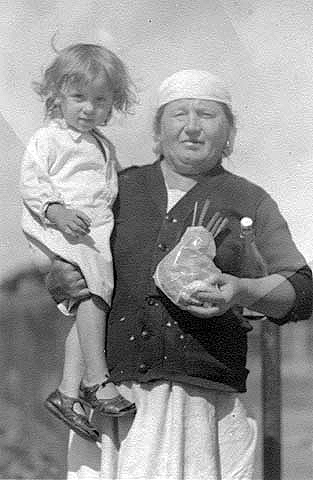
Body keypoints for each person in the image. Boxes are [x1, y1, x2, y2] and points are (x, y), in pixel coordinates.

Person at [46, 69, 313, 480]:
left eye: (206, 115)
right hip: (112, 395)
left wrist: (242, 289)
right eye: (178, 115)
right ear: (158, 131)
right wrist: (59, 278)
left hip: (202, 402)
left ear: (229, 134)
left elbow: (300, 289)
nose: (191, 127)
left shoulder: (249, 200)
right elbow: (68, 264)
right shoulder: (115, 189)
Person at [20, 43, 137, 444]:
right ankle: (96, 379)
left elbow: (111, 189)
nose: (88, 108)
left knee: (91, 301)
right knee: (94, 297)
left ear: (112, 104)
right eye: (78, 97)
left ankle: (68, 391)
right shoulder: (49, 138)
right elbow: (32, 183)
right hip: (62, 228)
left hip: (93, 233)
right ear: (57, 96)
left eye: (99, 100)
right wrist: (55, 211)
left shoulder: (102, 146)